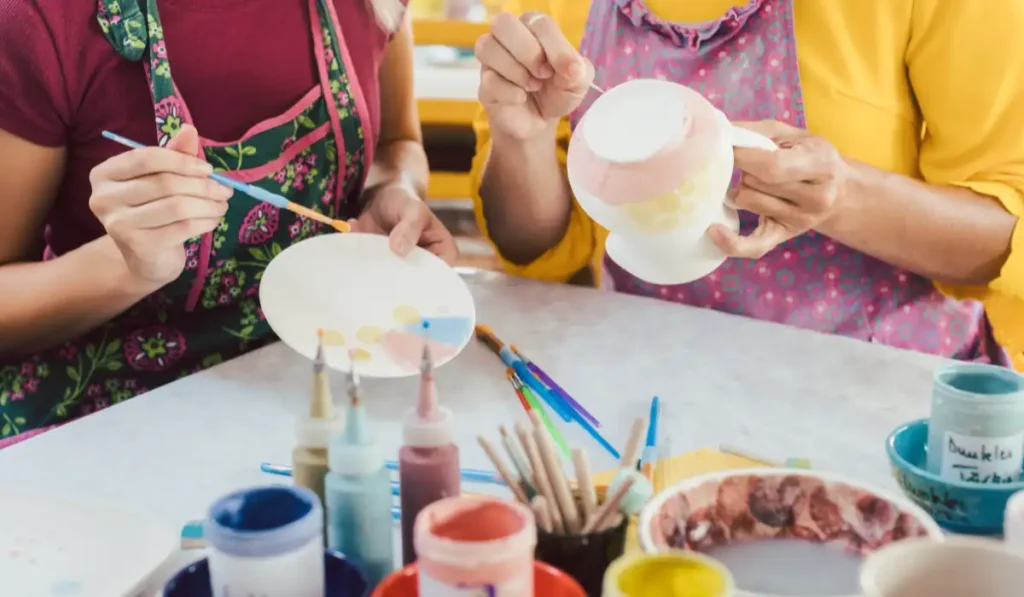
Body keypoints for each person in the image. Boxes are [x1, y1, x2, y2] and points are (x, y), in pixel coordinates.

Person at [471, 0, 1024, 369]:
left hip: (885, 394)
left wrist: (845, 196)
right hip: (656, 378)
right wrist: (524, 139)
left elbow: (1004, 237)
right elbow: (533, 244)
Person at [0, 0, 456, 446]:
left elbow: (397, 145)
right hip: (115, 420)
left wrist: (392, 191)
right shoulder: (41, 19)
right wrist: (125, 268)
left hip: (331, 380)